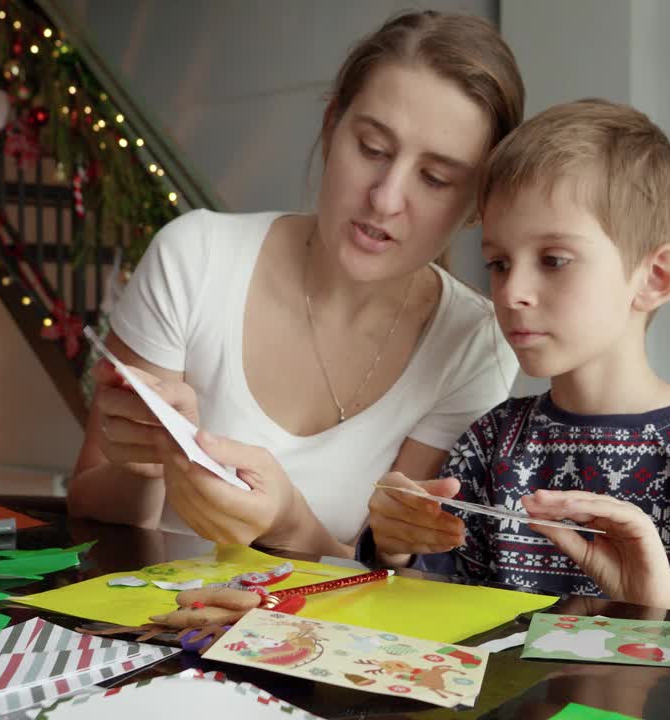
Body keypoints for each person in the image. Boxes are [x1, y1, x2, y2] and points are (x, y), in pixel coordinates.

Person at [66, 11, 524, 560]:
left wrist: (289, 524)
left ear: (477, 205)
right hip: (147, 632)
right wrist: (146, 468)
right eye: (373, 149)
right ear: (331, 128)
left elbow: (381, 571)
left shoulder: (475, 344)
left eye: (435, 179)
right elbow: (88, 503)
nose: (385, 197)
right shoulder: (194, 257)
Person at [364, 99, 670, 627]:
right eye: (498, 263)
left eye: (554, 260)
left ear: (655, 277)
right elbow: (428, 624)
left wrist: (665, 599)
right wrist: (395, 551)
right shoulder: (487, 447)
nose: (512, 291)